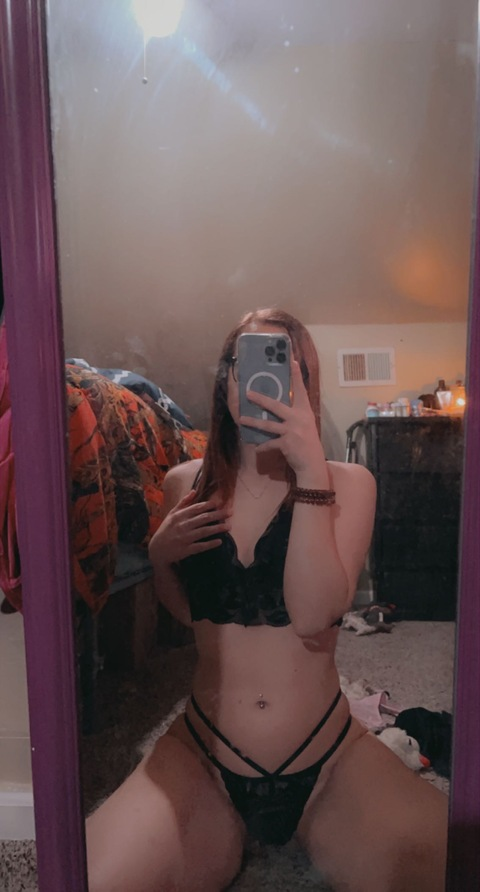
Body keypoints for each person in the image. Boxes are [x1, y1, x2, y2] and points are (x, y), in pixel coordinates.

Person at [86, 308, 448, 892]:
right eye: (245, 361)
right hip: (204, 754)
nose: (260, 381)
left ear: (305, 385)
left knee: (450, 868)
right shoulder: (185, 482)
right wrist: (159, 557)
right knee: (91, 878)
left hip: (328, 759)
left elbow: (313, 616)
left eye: (283, 365)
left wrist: (309, 471)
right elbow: (192, 617)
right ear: (225, 379)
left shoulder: (350, 483)